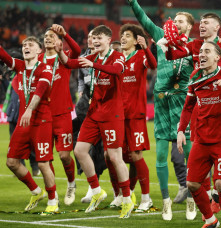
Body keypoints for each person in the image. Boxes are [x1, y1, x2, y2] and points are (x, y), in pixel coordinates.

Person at [128, 0, 196, 220]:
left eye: (181, 21)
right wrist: (133, 2)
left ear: (189, 27)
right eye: (174, 20)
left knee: (189, 154)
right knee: (160, 153)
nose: (176, 23)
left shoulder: (193, 47)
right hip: (161, 101)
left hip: (182, 102)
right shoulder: (159, 36)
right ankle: (165, 200)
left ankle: (192, 198)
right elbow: (143, 19)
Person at [57, 25, 133, 218]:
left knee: (115, 157)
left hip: (112, 114)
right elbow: (69, 63)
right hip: (94, 113)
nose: (95, 41)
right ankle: (97, 191)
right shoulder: (92, 57)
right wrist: (60, 48)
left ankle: (126, 199)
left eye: (99, 38)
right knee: (79, 151)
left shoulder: (118, 56)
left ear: (109, 39)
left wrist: (94, 65)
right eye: (94, 38)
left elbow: (116, 71)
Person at [177, 41, 221, 228]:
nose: (202, 54)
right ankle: (211, 220)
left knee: (220, 184)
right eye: (201, 51)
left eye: (207, 51)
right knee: (192, 184)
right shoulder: (195, 77)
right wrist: (180, 130)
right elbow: (188, 107)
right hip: (201, 139)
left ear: (218, 57)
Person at [1, 36, 57, 214]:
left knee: (42, 164)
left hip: (41, 120)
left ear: (39, 51)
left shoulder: (46, 68)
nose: (26, 47)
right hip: (24, 122)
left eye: (30, 45)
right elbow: (3, 55)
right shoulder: (20, 66)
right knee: (12, 162)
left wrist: (29, 110)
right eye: (24, 45)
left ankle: (53, 200)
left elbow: (40, 90)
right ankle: (36, 191)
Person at [106, 24, 157, 212]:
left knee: (136, 155)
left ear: (136, 40)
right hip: (117, 114)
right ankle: (121, 194)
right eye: (123, 35)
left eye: (128, 36)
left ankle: (146, 198)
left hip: (135, 114)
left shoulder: (141, 56)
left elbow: (153, 65)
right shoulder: (118, 59)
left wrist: (146, 48)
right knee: (110, 155)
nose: (124, 38)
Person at [39, 24, 81, 206]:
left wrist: (66, 35)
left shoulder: (63, 58)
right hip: (42, 115)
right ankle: (53, 193)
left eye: (51, 36)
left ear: (58, 41)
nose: (48, 38)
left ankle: (71, 183)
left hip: (62, 113)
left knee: (64, 155)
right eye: (45, 36)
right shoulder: (38, 60)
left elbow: (77, 51)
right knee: (45, 159)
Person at [73, 30, 108, 204]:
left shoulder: (105, 58)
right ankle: (93, 187)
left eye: (95, 37)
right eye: (89, 37)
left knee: (102, 150)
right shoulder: (82, 58)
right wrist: (80, 91)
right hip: (85, 103)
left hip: (102, 106)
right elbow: (81, 77)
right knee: (81, 147)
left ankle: (114, 191)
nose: (91, 40)